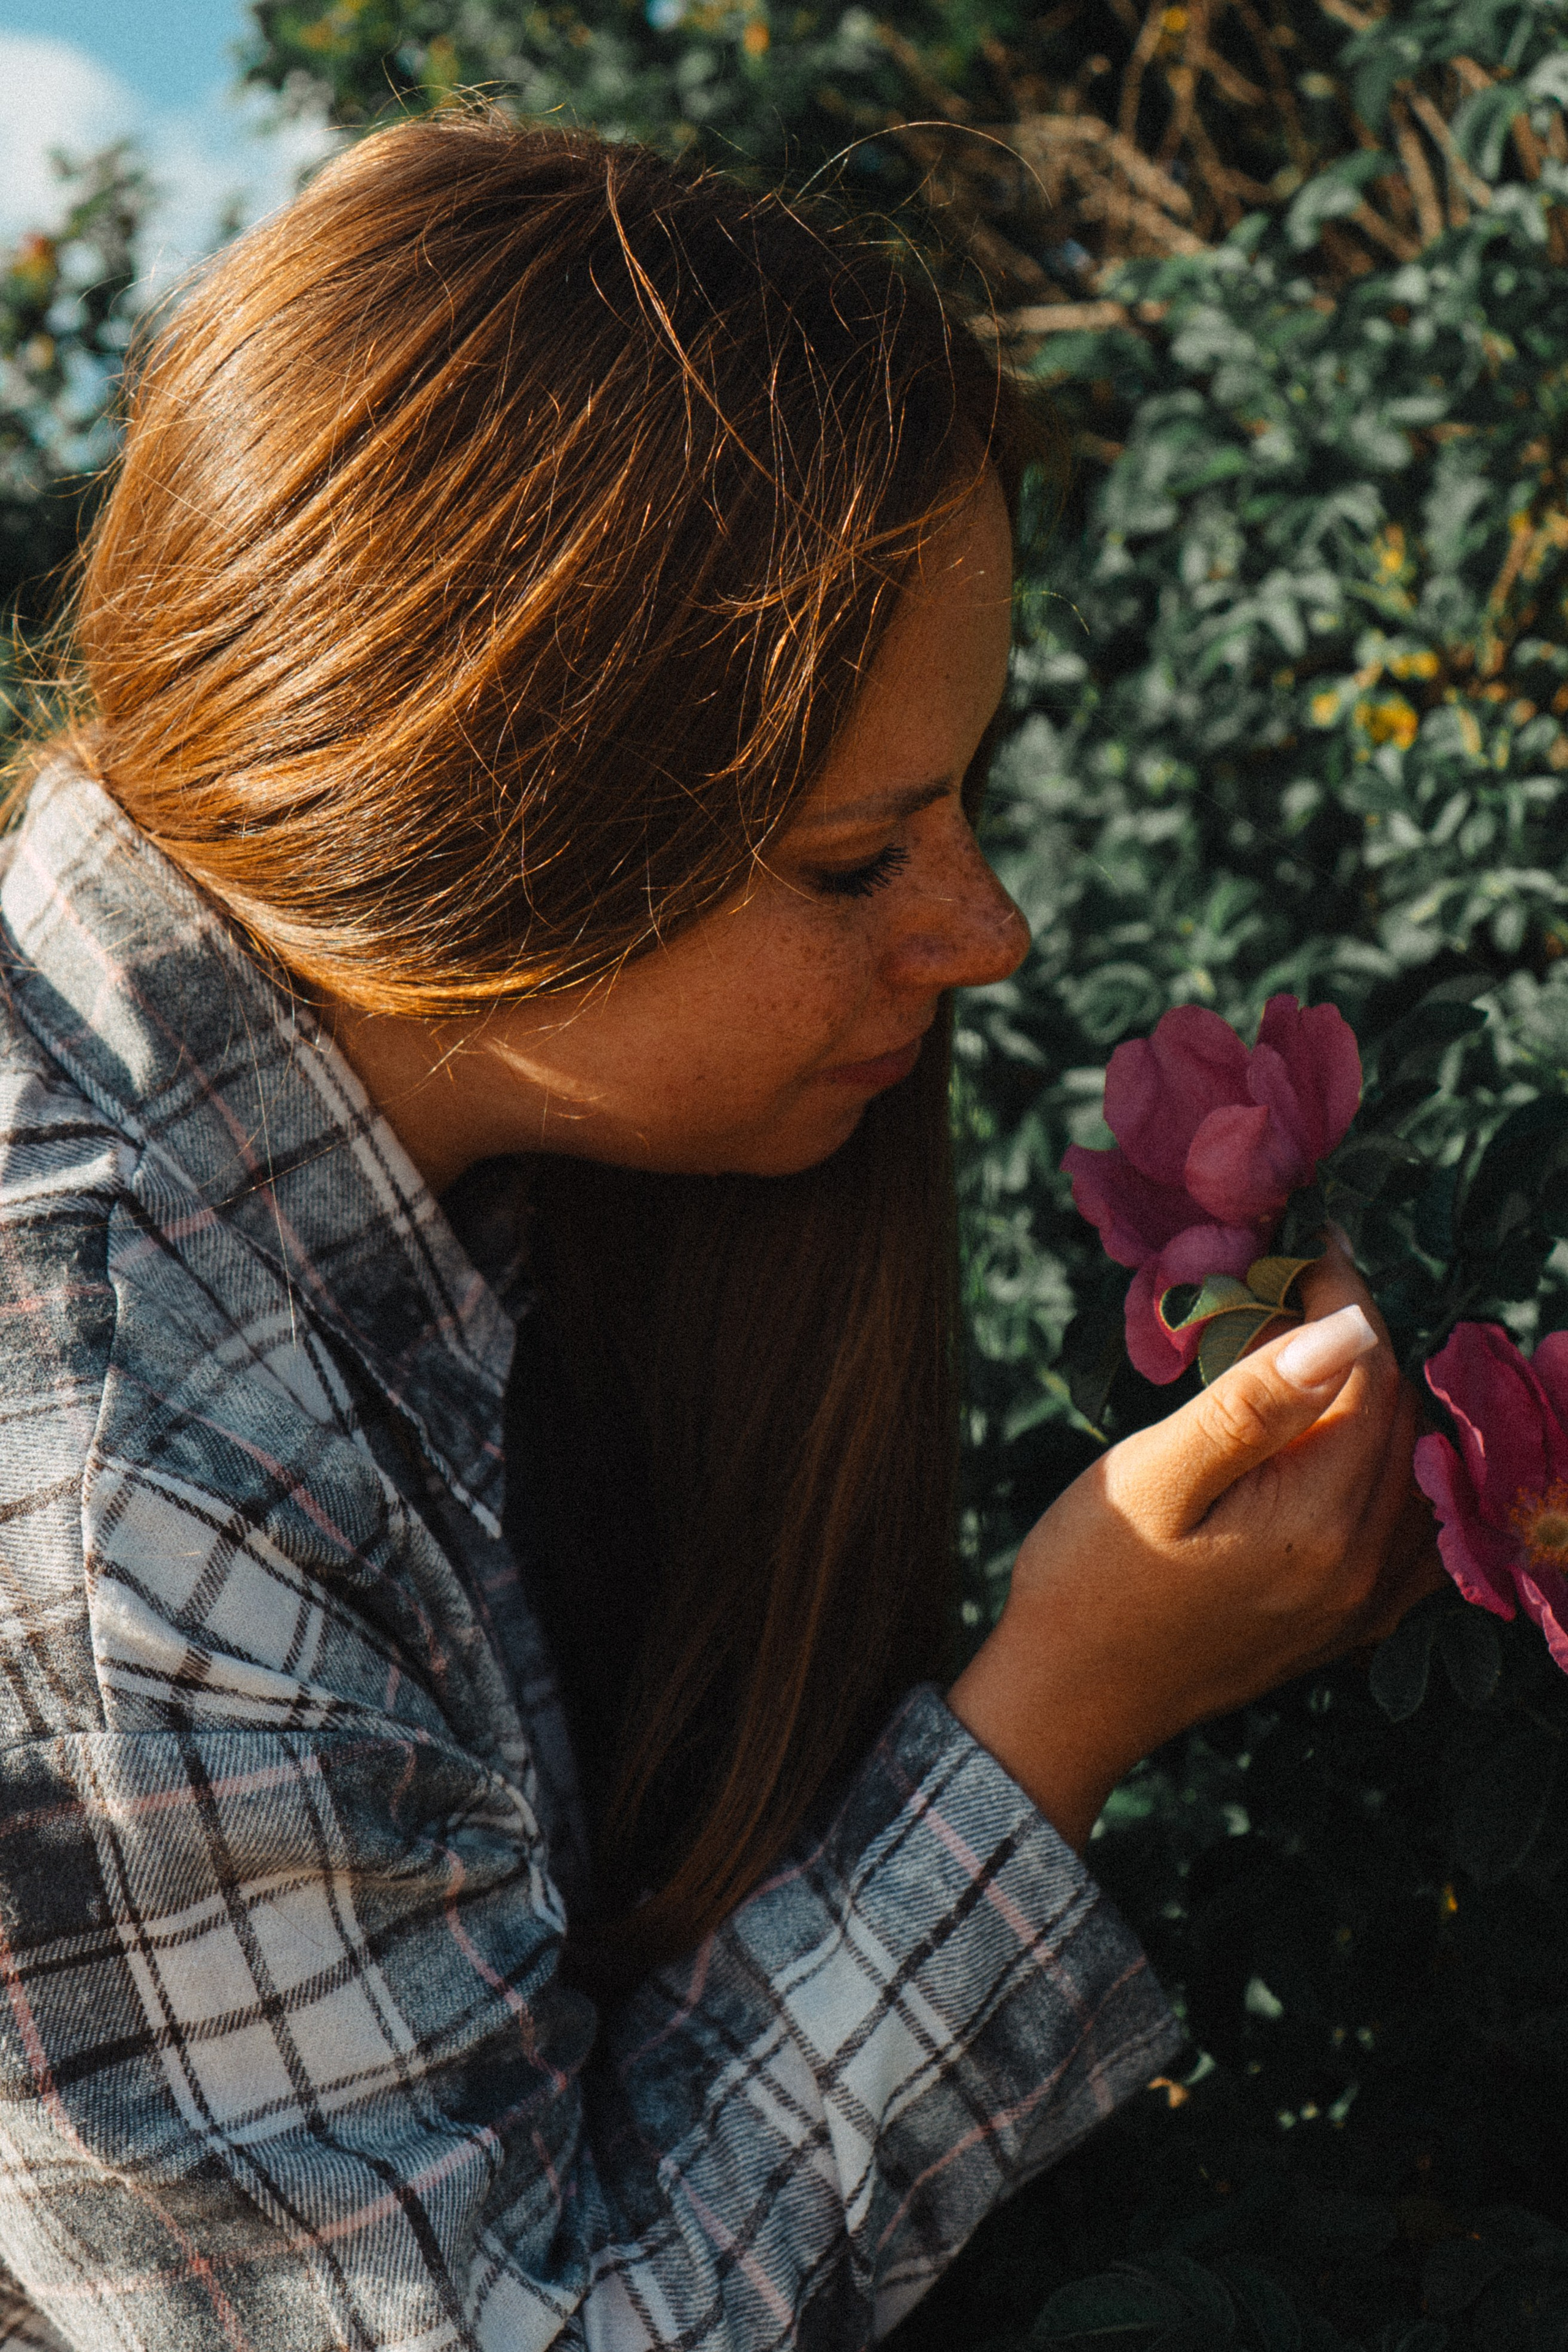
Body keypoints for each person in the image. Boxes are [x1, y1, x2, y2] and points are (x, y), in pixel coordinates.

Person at [0, 116, 1436, 2352]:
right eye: (861, 860)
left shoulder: (328, 1128)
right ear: (456, 833)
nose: (992, 930)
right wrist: (1065, 1699)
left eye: (970, 795)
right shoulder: (116, 1516)